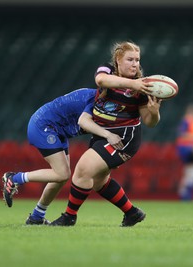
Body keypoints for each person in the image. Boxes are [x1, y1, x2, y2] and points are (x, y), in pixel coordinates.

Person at [50, 41, 161, 226]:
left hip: (123, 138)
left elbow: (150, 122)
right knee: (99, 182)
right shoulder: (108, 71)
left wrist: (155, 111)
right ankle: (132, 213)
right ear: (118, 59)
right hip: (102, 134)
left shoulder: (142, 87)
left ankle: (69, 216)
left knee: (83, 170)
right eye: (130, 59)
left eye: (137, 60)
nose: (135, 64)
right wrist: (134, 84)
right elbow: (101, 81)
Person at [1, 88, 123, 225]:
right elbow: (84, 122)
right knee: (62, 174)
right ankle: (14, 178)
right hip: (44, 125)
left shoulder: (100, 98)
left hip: (58, 130)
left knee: (61, 177)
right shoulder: (98, 101)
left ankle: (36, 217)